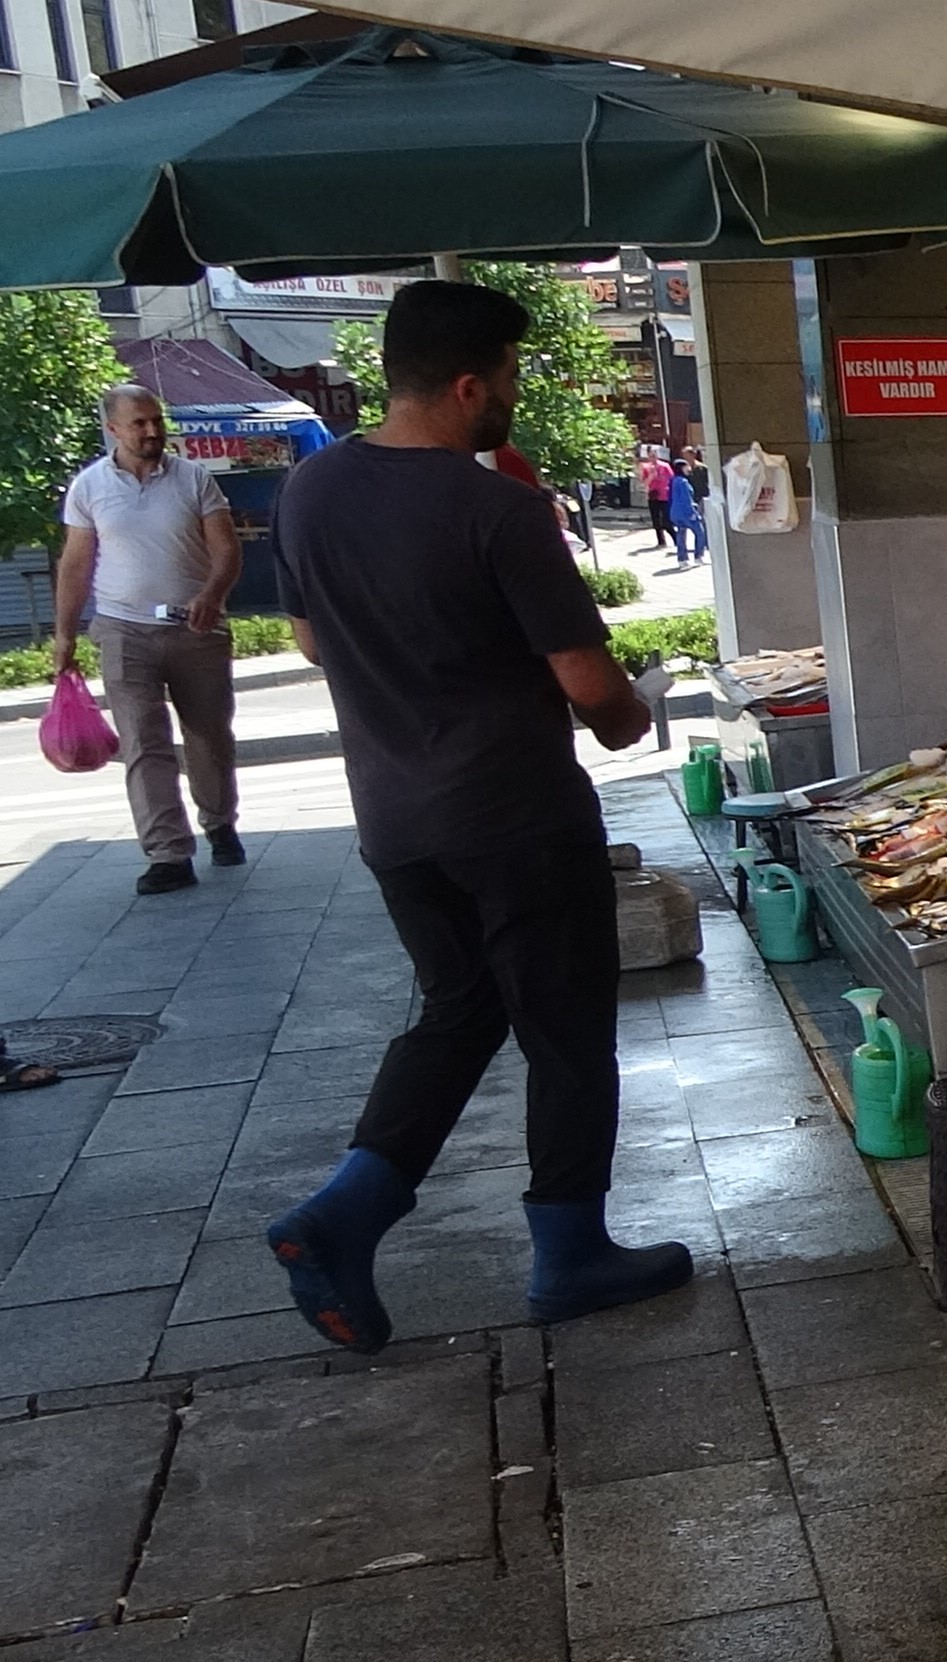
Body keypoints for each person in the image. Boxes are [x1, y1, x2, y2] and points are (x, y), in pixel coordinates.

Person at [265, 279, 690, 1346]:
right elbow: (593, 685)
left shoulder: (310, 491)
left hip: (397, 824)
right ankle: (571, 1255)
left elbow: (315, 642)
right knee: (566, 1033)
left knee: (458, 1010)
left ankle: (343, 1214)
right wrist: (631, 717)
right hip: (516, 818)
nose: (512, 391)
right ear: (466, 386)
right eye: (506, 374)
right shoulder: (496, 508)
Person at [53, 384, 245, 893]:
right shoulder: (89, 487)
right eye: (138, 423)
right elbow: (76, 564)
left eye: (156, 420)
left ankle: (220, 821)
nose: (152, 431)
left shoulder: (195, 479)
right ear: (112, 429)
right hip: (122, 629)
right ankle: (168, 854)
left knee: (209, 736)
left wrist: (211, 594)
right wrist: (65, 636)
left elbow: (226, 551)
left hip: (195, 628)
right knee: (142, 741)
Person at [665, 454, 706, 565]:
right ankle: (698, 556)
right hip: (686, 512)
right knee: (700, 533)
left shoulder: (673, 481)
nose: (688, 469)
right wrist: (693, 513)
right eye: (686, 466)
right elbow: (686, 499)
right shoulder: (683, 482)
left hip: (675, 512)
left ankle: (682, 559)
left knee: (681, 535)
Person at [635, 444, 676, 554]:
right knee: (656, 519)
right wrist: (651, 476)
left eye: (654, 454)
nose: (653, 457)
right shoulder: (645, 467)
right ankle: (661, 541)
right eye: (651, 455)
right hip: (653, 495)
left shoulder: (665, 465)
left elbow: (671, 479)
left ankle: (676, 539)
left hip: (664, 495)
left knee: (667, 520)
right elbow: (644, 483)